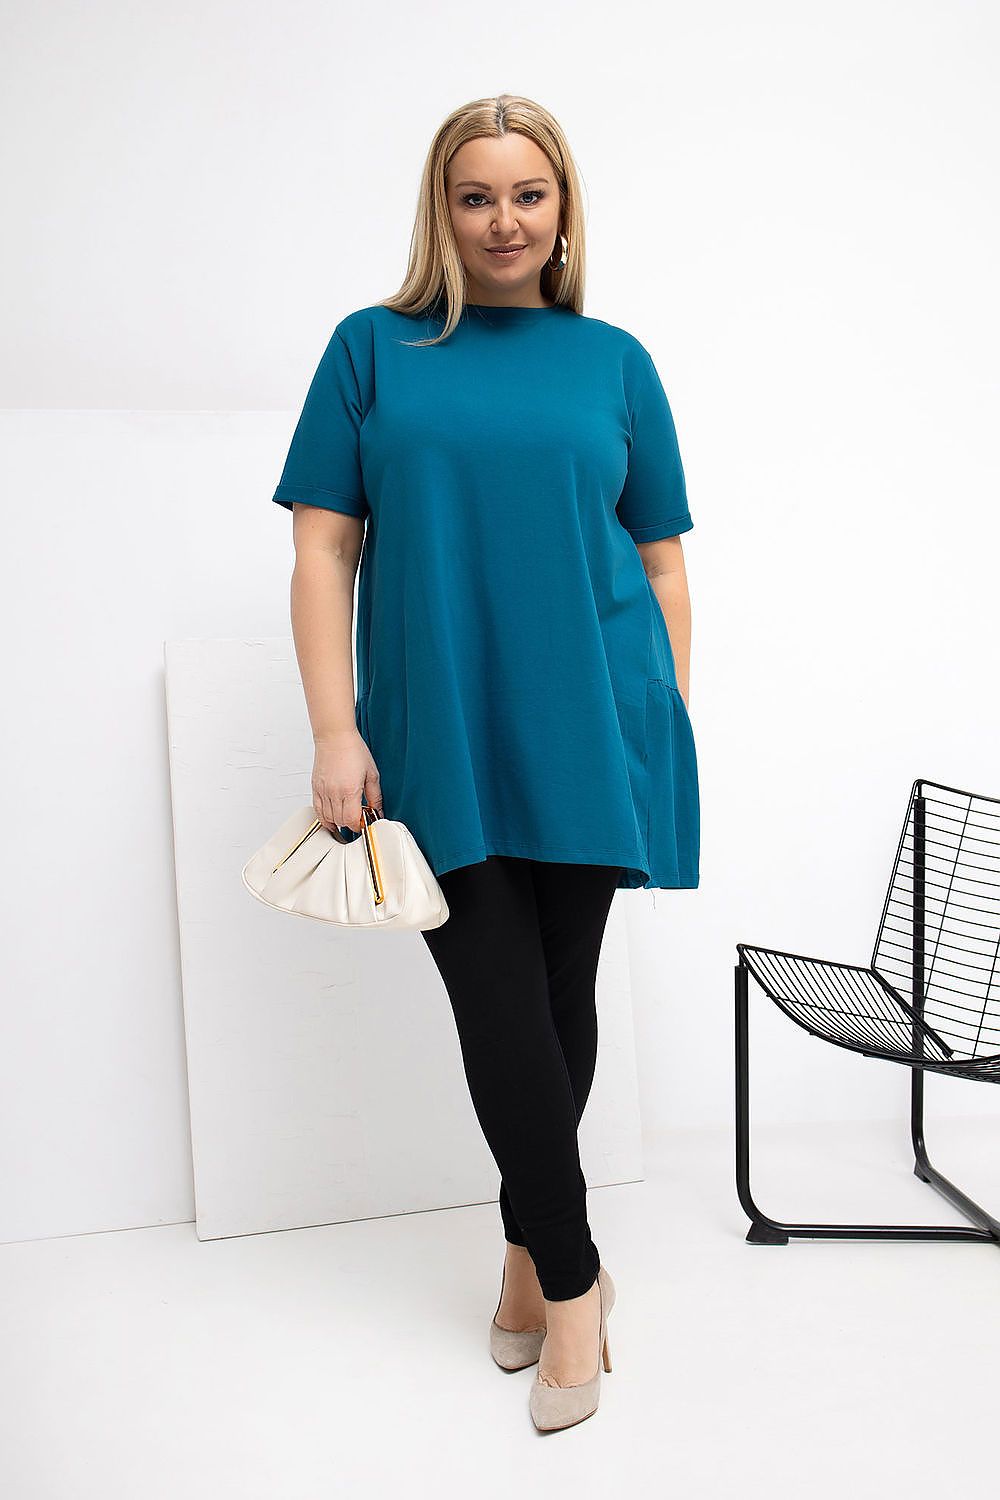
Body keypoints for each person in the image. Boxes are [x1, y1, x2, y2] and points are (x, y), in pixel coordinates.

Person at [270, 93, 699, 1432]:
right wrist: (337, 729)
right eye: (476, 195)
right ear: (440, 211)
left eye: (528, 194)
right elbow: (324, 551)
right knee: (499, 1007)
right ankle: (575, 1286)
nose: (503, 220)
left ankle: (521, 1260)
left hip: (597, 723)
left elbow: (664, 562)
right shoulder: (373, 351)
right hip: (437, 728)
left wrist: (660, 721)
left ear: (562, 208)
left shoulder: (614, 361)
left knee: (558, 1001)